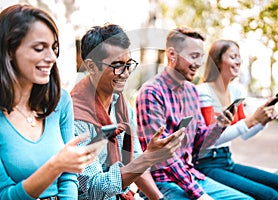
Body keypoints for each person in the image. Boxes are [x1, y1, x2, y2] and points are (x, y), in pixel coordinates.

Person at [0, 4, 106, 200]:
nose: (51, 57)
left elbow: (68, 178)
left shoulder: (60, 102)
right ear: (10, 50)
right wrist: (56, 164)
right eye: (39, 48)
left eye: (53, 48)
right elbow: (5, 195)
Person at [136, 27, 254, 200]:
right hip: (161, 183)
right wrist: (199, 194)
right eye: (193, 56)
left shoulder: (192, 91)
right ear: (172, 55)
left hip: (190, 176)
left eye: (201, 57)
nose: (199, 63)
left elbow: (200, 143)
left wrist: (219, 126)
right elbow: (163, 155)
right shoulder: (151, 93)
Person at [70, 23, 185, 200]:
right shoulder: (75, 117)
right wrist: (149, 158)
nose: (125, 74)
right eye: (117, 65)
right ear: (91, 67)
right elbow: (94, 188)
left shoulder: (120, 104)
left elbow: (135, 160)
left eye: (128, 64)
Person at [193, 39, 278, 200]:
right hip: (206, 164)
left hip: (226, 160)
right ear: (218, 62)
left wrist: (262, 121)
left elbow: (244, 134)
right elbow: (209, 140)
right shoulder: (203, 92)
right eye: (233, 57)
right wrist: (252, 120)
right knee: (270, 196)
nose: (238, 61)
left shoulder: (236, 92)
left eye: (239, 57)